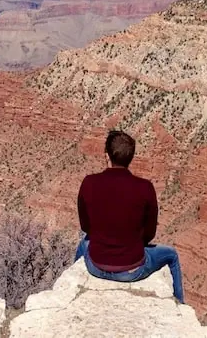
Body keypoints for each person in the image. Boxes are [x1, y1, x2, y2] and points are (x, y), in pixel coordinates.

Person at [74, 129, 185, 303]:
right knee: (172, 255)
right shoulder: (145, 188)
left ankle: (74, 289)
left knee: (83, 243)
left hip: (95, 266)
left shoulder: (89, 182)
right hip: (132, 270)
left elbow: (85, 226)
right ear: (131, 157)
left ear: (106, 156)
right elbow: (149, 235)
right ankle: (181, 306)